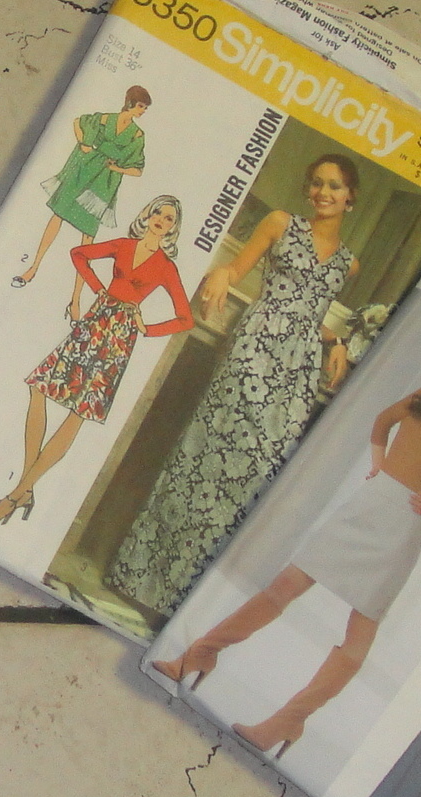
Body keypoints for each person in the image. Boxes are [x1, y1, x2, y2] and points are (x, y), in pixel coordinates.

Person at [153, 348, 421, 755]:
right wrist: (379, 466)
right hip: (365, 507)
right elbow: (382, 421)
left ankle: (288, 721)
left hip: (400, 533)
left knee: (358, 635)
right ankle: (200, 653)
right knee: (283, 587)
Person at [104, 155, 367, 618]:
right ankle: (141, 582)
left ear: (351, 197)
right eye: (317, 183)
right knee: (206, 458)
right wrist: (221, 276)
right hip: (255, 346)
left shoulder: (350, 265)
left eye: (334, 186)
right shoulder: (280, 223)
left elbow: (310, 311)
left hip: (299, 369)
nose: (323, 192)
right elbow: (236, 270)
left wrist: (338, 340)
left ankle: (189, 603)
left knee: (257, 477)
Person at [0, 198, 192, 527]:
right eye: (158, 213)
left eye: (169, 218)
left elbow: (185, 318)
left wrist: (147, 327)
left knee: (79, 411)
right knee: (40, 387)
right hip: (96, 320)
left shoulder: (165, 267)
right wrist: (97, 288)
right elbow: (78, 254)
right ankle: (25, 490)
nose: (161, 219)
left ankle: (14, 497)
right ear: (147, 215)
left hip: (120, 336)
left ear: (173, 228)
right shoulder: (124, 245)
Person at [11, 88, 151, 287]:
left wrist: (116, 168)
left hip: (104, 183)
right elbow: (78, 122)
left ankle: (76, 296)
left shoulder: (137, 135)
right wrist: (83, 143)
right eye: (141, 106)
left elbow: (138, 170)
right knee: (58, 215)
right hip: (82, 171)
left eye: (145, 108)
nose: (143, 111)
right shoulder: (104, 119)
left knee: (88, 235)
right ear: (130, 103)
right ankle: (33, 268)